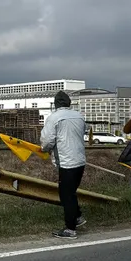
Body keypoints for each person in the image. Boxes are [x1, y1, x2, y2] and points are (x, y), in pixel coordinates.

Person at [40, 90, 87, 238]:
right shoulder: (79, 116)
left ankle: (70, 228)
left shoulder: (54, 118)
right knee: (71, 192)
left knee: (66, 195)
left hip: (67, 162)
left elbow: (47, 140)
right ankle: (77, 217)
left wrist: (44, 149)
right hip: (80, 160)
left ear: (55, 104)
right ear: (69, 103)